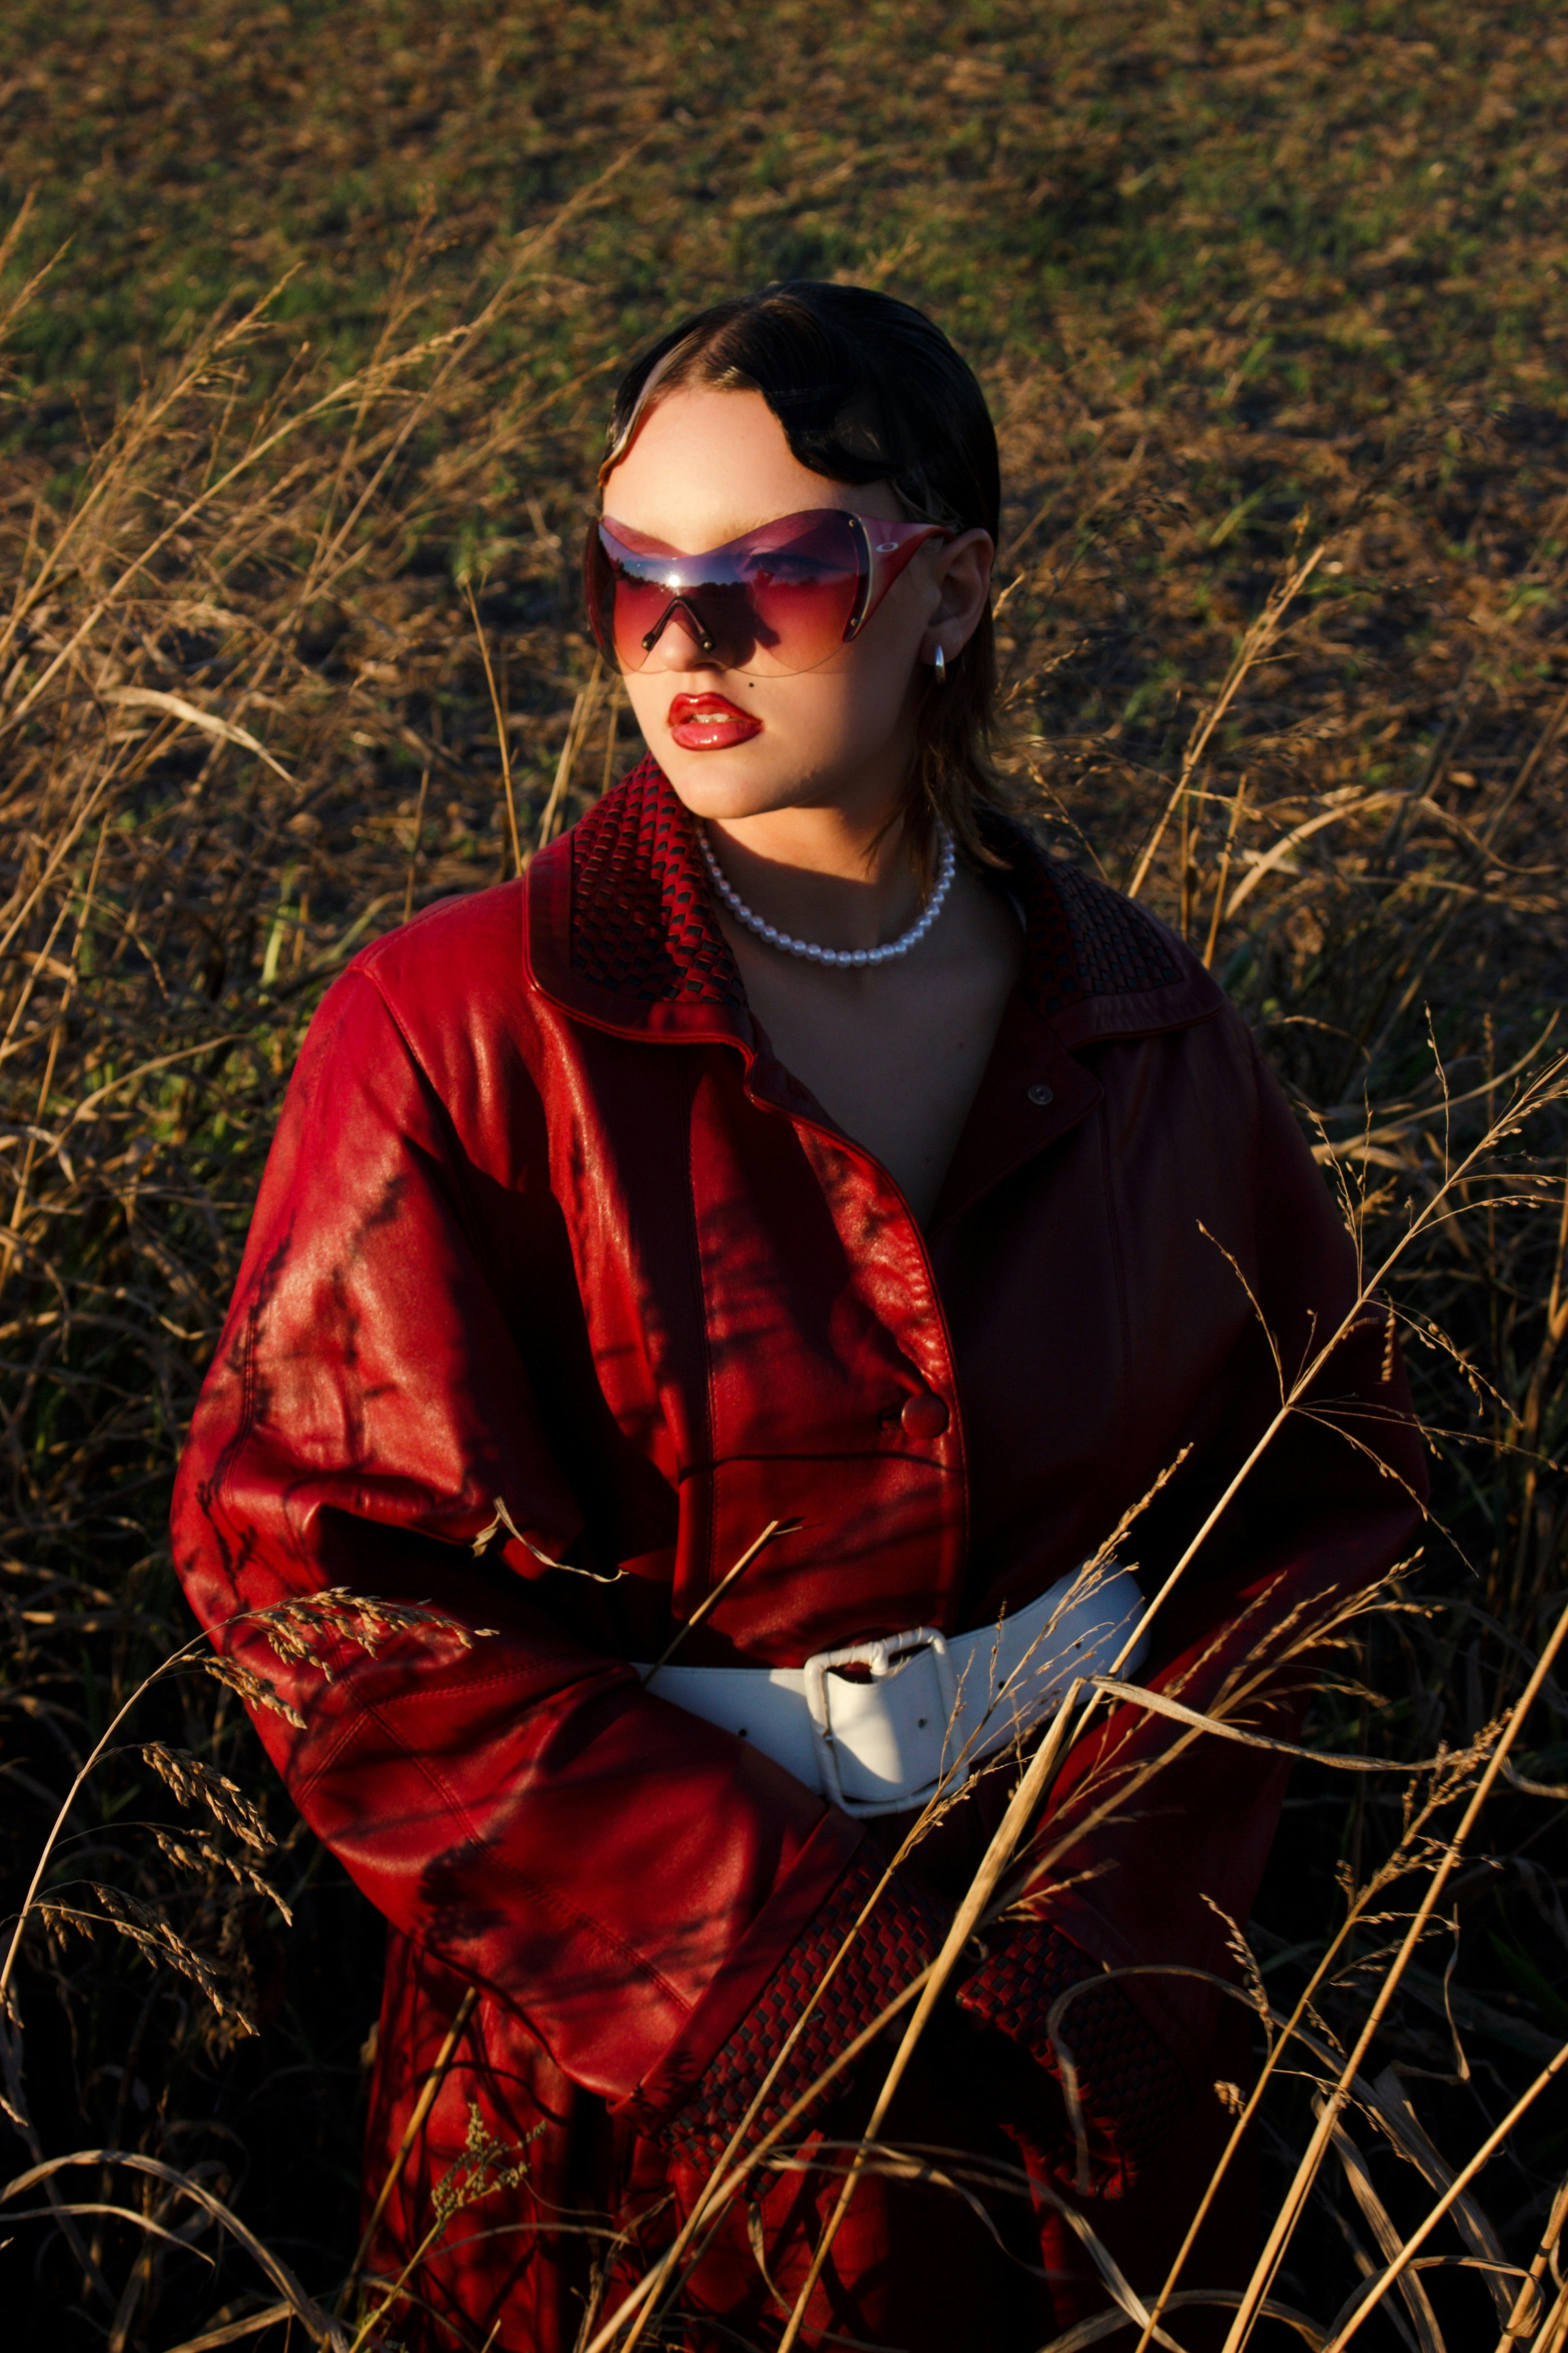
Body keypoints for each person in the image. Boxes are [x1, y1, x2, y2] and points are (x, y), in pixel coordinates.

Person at [172, 282, 1426, 2353]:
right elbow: (316, 1585)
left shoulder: (1139, 1025)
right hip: (624, 2083)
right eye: (634, 575)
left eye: (781, 574)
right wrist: (781, 1971)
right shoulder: (458, 1028)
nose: (685, 638)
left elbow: (1320, 1494)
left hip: (1081, 2068)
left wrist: (1101, 1922)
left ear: (951, 592)